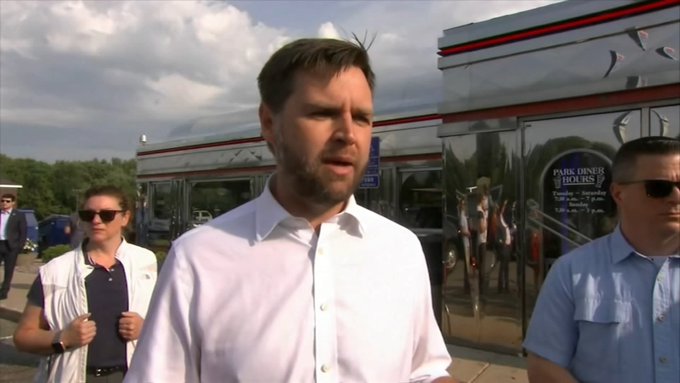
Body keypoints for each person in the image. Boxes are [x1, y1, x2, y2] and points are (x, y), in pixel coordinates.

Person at [125, 38, 457, 382]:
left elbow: (424, 370)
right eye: (323, 113)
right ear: (269, 122)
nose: (348, 134)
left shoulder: (400, 249)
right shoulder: (197, 259)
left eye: (361, 117)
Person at [524, 136, 680, 383]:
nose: (675, 197)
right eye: (658, 188)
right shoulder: (572, 272)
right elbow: (544, 365)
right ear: (618, 193)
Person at [13, 185, 158, 382]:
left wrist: (146, 328)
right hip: (75, 376)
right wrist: (62, 337)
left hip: (134, 374)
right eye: (88, 214)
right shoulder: (55, 271)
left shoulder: (147, 262)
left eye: (107, 214)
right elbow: (23, 336)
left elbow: (171, 323)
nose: (96, 220)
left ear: (125, 218)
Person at [0, 193, 27, 300]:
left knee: (9, 269)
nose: (4, 203)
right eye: (2, 201)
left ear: (12, 203)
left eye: (7, 201)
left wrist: (19, 246)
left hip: (11, 245)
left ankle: (4, 291)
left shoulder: (18, 215)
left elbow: (23, 232)